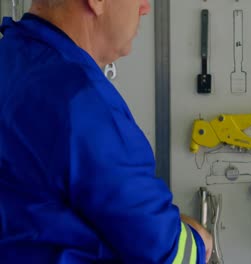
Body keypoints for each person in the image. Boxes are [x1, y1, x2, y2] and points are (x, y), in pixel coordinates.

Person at [0, 0, 212, 263]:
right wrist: (199, 237)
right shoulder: (80, 102)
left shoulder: (10, 62)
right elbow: (169, 253)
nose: (145, 7)